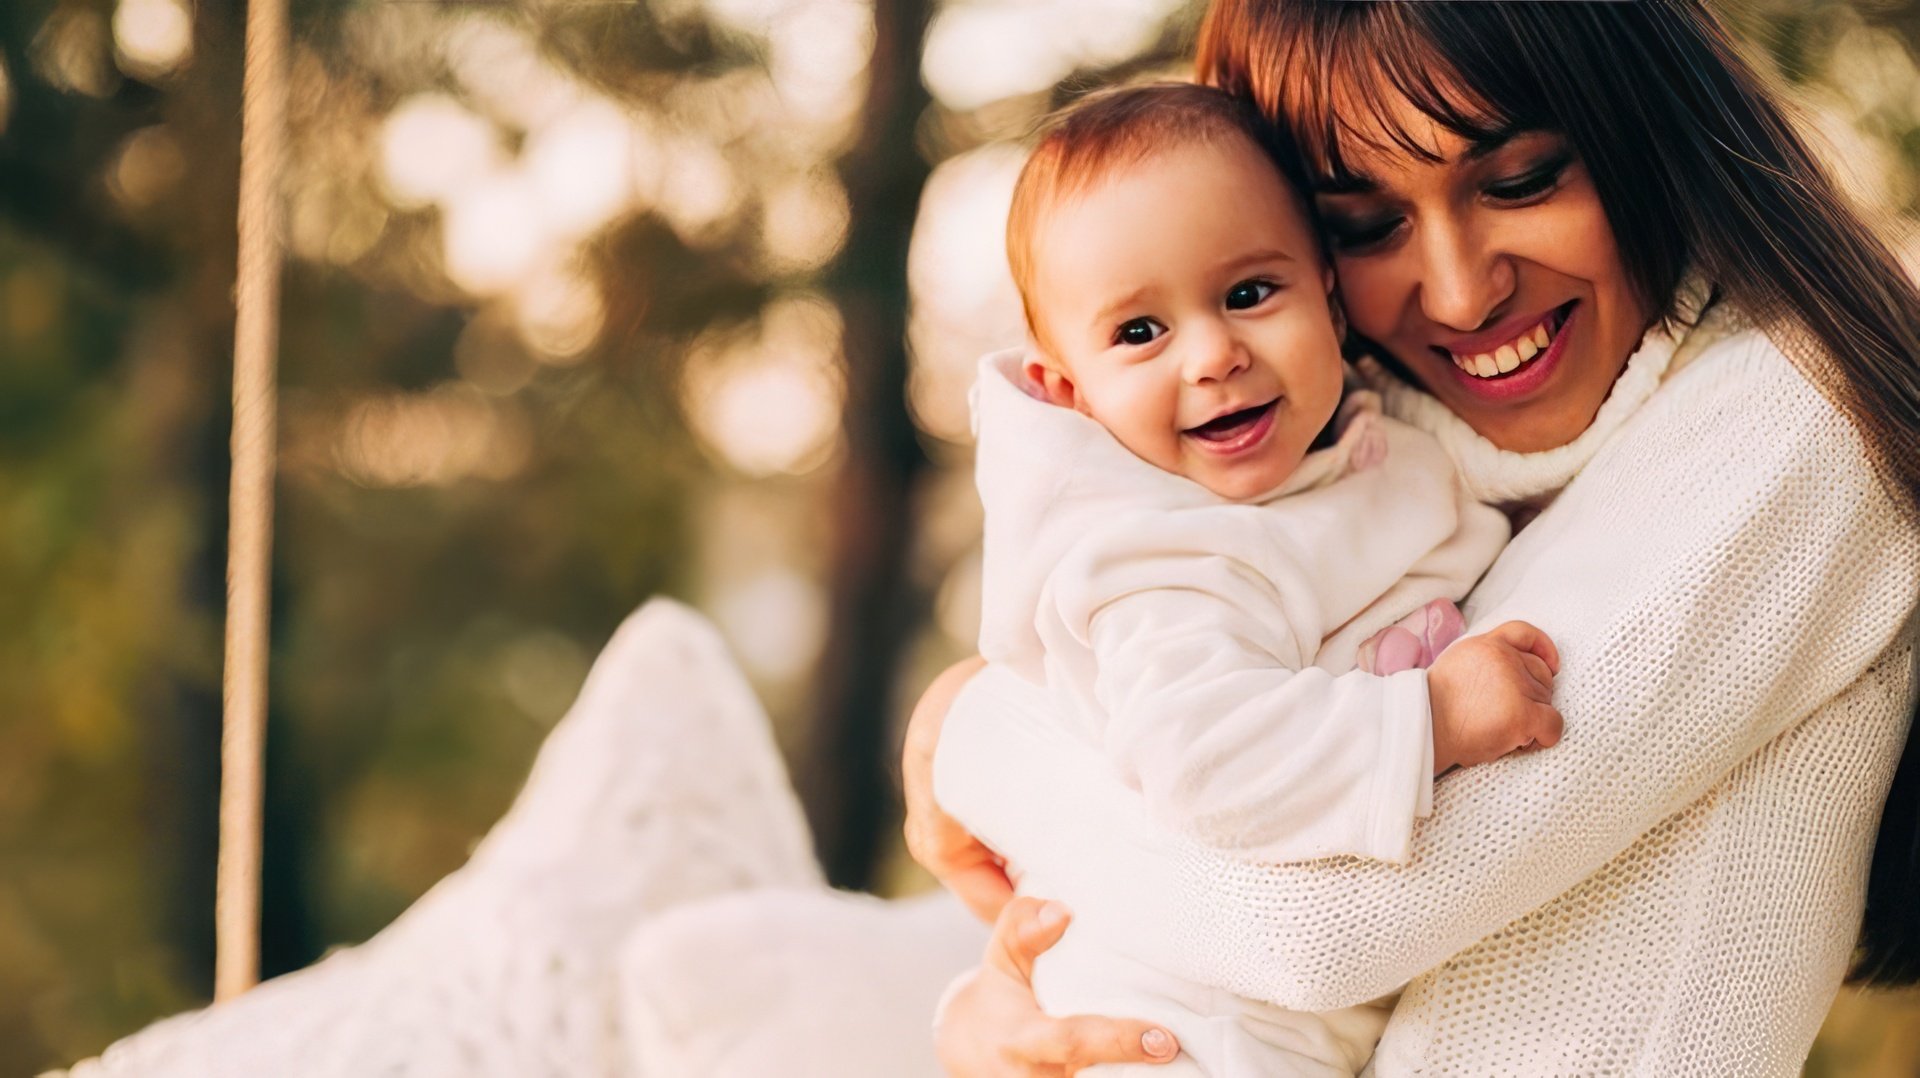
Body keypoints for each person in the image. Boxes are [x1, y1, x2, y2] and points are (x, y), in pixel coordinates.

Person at [911, 2, 1920, 1074]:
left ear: (1645, 121)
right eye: (1365, 225)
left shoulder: (1794, 414)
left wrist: (977, 741)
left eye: (1522, 179)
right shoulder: (1396, 455)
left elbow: (1318, 926)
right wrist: (1009, 1000)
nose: (1458, 288)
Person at [966, 80, 1551, 1075]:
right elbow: (1206, 762)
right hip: (1180, 1037)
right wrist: (1433, 720)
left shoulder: (1366, 452)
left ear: (1328, 289)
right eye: (1139, 333)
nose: (1213, 355)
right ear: (1068, 392)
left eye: (1248, 294)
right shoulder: (1162, 563)